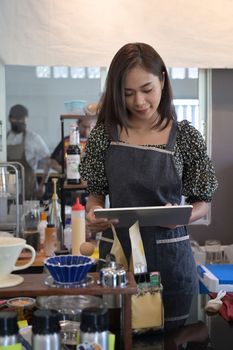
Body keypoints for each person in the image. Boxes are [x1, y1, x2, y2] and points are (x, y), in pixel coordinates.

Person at [80, 42, 218, 331]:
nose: (139, 101)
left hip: (170, 260)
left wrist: (180, 214)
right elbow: (95, 194)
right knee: (120, 332)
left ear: (163, 80)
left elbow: (202, 201)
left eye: (147, 89)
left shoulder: (186, 137)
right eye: (128, 93)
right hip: (119, 259)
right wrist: (94, 213)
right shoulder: (104, 135)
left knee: (167, 336)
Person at [7, 104, 50, 200]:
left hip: (29, 189)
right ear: (9, 119)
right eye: (16, 119)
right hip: (7, 190)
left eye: (21, 119)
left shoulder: (33, 138)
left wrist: (43, 184)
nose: (19, 121)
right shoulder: (4, 139)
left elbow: (47, 160)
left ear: (26, 119)